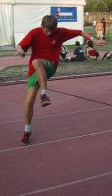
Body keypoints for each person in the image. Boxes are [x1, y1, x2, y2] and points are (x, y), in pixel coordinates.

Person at [16, 15, 97, 145]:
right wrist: (20, 51)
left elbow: (80, 32)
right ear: (42, 26)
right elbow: (20, 46)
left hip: (50, 65)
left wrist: (94, 39)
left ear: (56, 28)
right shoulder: (35, 33)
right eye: (47, 30)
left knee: (37, 62)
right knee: (29, 99)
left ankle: (45, 94)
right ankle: (27, 130)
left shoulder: (60, 32)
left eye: (52, 31)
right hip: (34, 70)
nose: (49, 33)